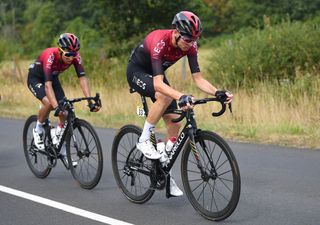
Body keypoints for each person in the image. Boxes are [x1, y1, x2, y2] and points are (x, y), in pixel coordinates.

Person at [126, 11, 233, 196]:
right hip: (137, 72)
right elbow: (159, 84)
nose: (189, 43)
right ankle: (144, 139)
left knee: (175, 121)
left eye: (194, 39)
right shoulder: (160, 40)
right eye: (187, 39)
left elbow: (198, 79)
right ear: (176, 31)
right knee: (166, 96)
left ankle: (165, 171)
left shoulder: (191, 46)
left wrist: (218, 92)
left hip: (155, 75)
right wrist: (181, 96)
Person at [27, 33, 101, 158]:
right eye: (68, 54)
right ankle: (38, 129)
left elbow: (82, 79)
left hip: (52, 78)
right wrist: (56, 107)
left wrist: (90, 101)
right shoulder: (50, 56)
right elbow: (47, 86)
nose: (71, 58)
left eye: (74, 54)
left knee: (65, 110)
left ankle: (58, 138)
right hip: (36, 79)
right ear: (60, 50)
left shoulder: (76, 57)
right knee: (50, 103)